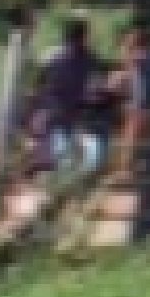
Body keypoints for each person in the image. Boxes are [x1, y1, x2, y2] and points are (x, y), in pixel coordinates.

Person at [28, 17, 112, 181]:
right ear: (83, 36)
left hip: (54, 105)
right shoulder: (89, 58)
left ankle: (47, 165)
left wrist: (35, 103)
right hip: (70, 107)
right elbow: (98, 81)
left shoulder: (52, 54)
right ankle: (49, 167)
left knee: (50, 137)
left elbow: (39, 81)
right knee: (58, 138)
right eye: (86, 36)